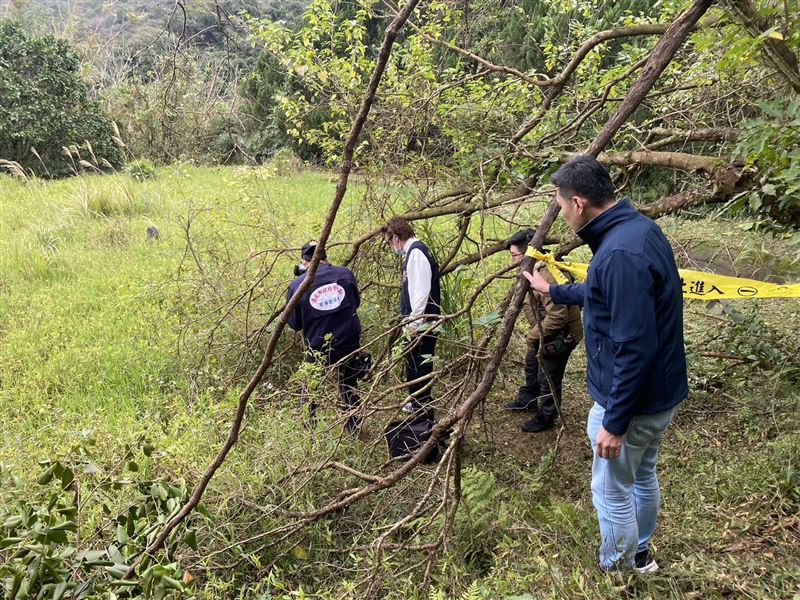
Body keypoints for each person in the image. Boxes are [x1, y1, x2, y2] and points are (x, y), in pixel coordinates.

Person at [523, 155, 688, 574]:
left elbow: (634, 346)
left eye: (560, 205)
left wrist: (615, 422)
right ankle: (641, 555)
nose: (560, 213)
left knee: (612, 490)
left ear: (578, 203)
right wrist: (555, 291)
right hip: (659, 396)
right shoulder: (636, 231)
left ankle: (616, 572)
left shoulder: (619, 254)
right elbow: (607, 294)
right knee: (642, 474)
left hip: (631, 403)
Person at [505, 229, 582, 432]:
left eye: (514, 256)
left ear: (527, 254)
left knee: (548, 375)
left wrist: (532, 336)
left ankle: (546, 416)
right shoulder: (531, 270)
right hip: (545, 331)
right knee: (532, 363)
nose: (512, 261)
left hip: (562, 335)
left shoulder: (546, 275)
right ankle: (529, 398)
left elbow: (557, 316)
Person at [287, 242, 363, 432]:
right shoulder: (345, 274)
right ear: (325, 258)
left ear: (304, 262)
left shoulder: (297, 285)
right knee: (350, 383)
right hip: (348, 341)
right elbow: (356, 302)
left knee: (311, 386)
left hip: (318, 346)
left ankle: (308, 430)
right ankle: (354, 427)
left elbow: (295, 324)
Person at [383, 217, 441, 422]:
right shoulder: (414, 252)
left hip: (422, 323)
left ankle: (422, 408)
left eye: (390, 242)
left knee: (419, 366)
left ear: (396, 237)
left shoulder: (416, 254)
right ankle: (416, 400)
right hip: (418, 322)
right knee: (413, 363)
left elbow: (420, 293)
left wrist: (414, 324)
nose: (391, 247)